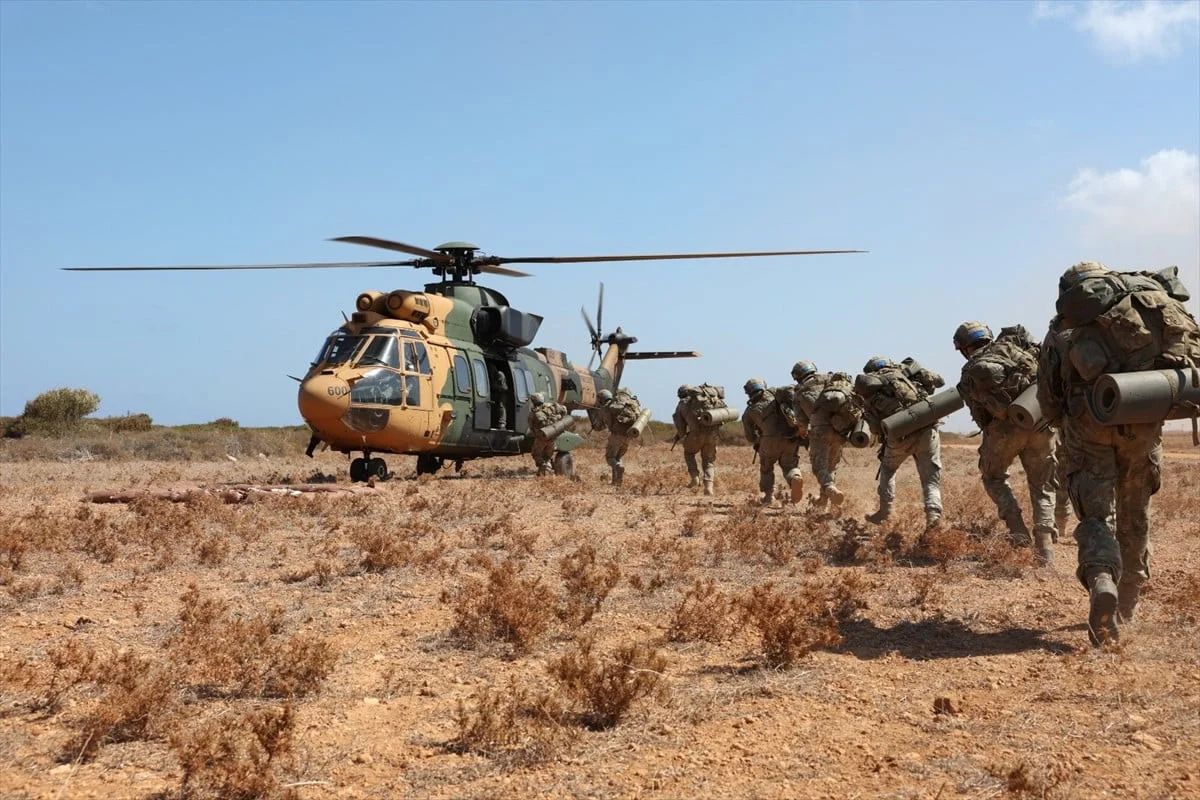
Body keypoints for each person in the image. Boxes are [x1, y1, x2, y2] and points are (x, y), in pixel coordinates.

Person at [1038, 261, 1200, 645]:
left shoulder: (1064, 325)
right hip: (1143, 421)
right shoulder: (1152, 303)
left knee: (1095, 514)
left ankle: (1101, 578)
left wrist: (1066, 421)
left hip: (1087, 423)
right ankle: (1126, 608)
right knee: (1134, 511)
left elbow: (1048, 396)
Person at [954, 321, 1057, 564]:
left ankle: (1018, 531)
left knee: (993, 476)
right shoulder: (1014, 347)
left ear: (964, 348)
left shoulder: (970, 371)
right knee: (1042, 483)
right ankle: (1045, 547)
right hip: (1040, 420)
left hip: (1004, 431)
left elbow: (980, 416)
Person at [854, 356, 945, 530]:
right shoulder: (907, 377)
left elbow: (873, 428)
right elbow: (939, 381)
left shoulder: (872, 392)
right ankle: (933, 515)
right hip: (927, 429)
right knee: (930, 481)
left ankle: (885, 512)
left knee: (888, 470)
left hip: (899, 435)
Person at [791, 360, 859, 509]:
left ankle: (830, 489)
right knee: (831, 468)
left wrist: (802, 431)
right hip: (840, 430)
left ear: (797, 376)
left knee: (819, 468)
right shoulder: (830, 380)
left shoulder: (799, 392)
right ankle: (823, 502)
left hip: (819, 431)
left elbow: (801, 422)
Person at [741, 378, 803, 506]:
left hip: (768, 441)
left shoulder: (749, 411)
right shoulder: (777, 395)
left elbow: (750, 437)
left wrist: (758, 438)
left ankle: (769, 497)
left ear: (748, 391)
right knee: (790, 466)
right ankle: (795, 478)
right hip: (790, 437)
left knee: (767, 468)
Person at [672, 383, 724, 496]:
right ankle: (709, 487)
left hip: (695, 435)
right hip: (712, 435)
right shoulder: (708, 400)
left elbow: (681, 429)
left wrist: (680, 436)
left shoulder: (682, 404)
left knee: (689, 453)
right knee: (708, 460)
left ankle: (695, 477)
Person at [593, 387, 642, 486]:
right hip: (628, 436)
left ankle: (618, 468)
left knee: (610, 458)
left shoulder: (605, 408)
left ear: (602, 399)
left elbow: (598, 427)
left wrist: (595, 423)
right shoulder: (627, 406)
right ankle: (616, 482)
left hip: (616, 436)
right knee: (617, 458)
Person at [529, 392, 569, 476]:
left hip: (542, 438)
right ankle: (546, 470)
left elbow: (532, 427)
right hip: (553, 436)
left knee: (536, 454)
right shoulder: (552, 406)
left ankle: (545, 467)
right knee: (547, 456)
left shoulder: (534, 413)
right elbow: (564, 410)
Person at [488, 363, 509, 429]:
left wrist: (493, 386)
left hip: (501, 394)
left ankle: (502, 422)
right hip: (495, 392)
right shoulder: (489, 375)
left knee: (501, 406)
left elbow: (504, 387)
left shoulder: (499, 374)